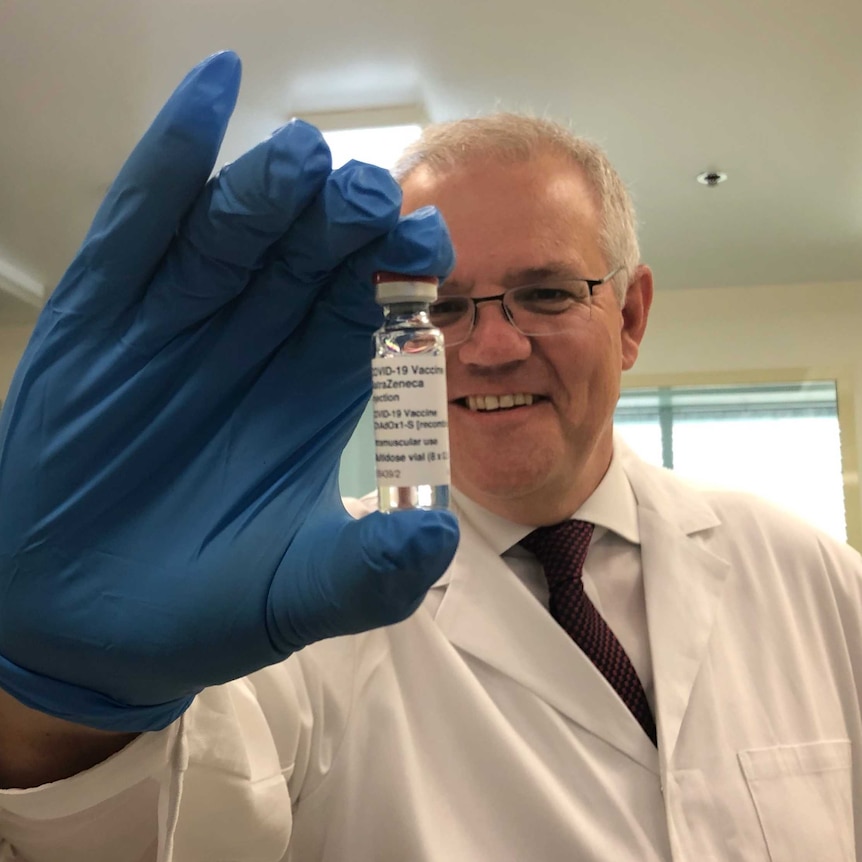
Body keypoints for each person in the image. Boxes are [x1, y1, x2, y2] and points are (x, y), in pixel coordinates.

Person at [0, 51, 860, 862]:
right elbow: (161, 829)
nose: (488, 349)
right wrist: (57, 713)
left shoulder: (815, 580)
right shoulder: (292, 618)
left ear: (630, 318)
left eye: (545, 293)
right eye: (434, 306)